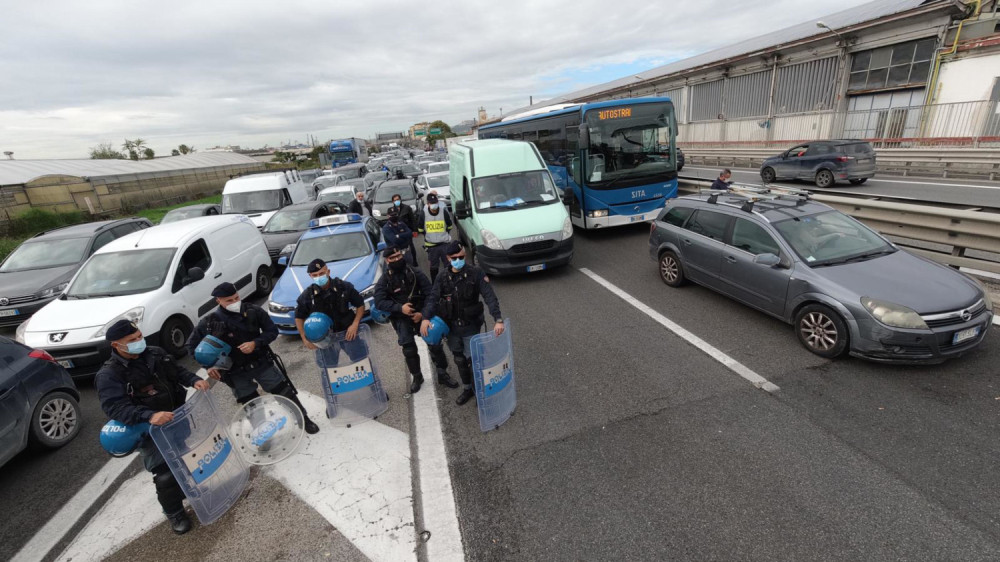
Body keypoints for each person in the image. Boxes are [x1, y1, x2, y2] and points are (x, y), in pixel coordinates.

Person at [96, 320, 211, 535]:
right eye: (131, 340)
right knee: (164, 474)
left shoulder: (156, 353)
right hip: (151, 431)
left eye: (139, 336)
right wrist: (149, 416)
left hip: (176, 419)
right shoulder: (109, 375)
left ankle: (188, 488)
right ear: (116, 345)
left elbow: (177, 372)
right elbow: (115, 408)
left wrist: (195, 379)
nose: (139, 341)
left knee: (183, 458)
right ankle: (174, 512)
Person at [186, 282, 320, 434]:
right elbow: (191, 346)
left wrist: (255, 343)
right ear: (219, 301)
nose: (235, 302)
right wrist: (208, 366)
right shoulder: (209, 322)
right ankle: (263, 432)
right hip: (234, 372)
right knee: (251, 405)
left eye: (236, 297)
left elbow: (272, 331)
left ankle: (304, 419)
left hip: (260, 363)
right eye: (229, 300)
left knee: (284, 392)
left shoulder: (253, 311)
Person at [421, 241, 503, 406]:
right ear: (448, 258)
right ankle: (467, 389)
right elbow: (433, 298)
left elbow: (489, 296)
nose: (458, 260)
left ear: (464, 255)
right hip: (451, 326)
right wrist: (425, 318)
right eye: (454, 258)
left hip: (470, 325)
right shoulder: (442, 277)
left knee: (473, 360)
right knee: (459, 359)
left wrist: (498, 319)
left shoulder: (476, 273)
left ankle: (479, 389)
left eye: (461, 257)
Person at [375, 245, 459, 394]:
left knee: (435, 344)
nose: (396, 259)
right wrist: (399, 308)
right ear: (387, 260)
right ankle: (417, 377)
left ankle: (442, 373)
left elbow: (431, 294)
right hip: (401, 318)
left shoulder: (415, 272)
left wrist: (423, 314)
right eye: (392, 258)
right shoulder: (384, 280)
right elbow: (379, 302)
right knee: (409, 350)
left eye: (398, 256)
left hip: (421, 315)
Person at [294, 258, 366, 348]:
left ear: (328, 272)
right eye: (315, 275)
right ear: (310, 276)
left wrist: (355, 324)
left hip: (347, 332)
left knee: (359, 358)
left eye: (321, 273)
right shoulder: (308, 295)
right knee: (328, 362)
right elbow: (298, 317)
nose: (319, 277)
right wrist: (304, 338)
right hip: (324, 338)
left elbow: (360, 305)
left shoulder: (343, 287)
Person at [417, 192, 454, 281]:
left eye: (435, 203)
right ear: (428, 204)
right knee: (434, 267)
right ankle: (435, 284)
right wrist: (429, 236)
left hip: (444, 244)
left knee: (448, 265)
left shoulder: (443, 211)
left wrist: (444, 235)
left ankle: (449, 282)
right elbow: (420, 229)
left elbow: (449, 225)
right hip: (431, 246)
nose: (434, 205)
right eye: (432, 203)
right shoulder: (423, 213)